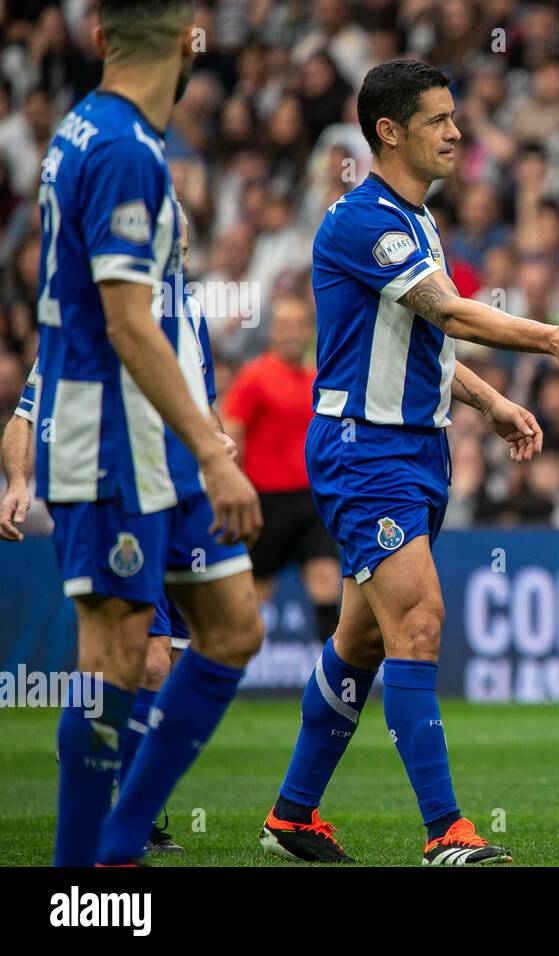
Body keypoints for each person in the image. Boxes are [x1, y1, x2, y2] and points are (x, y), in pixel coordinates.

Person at [258, 58, 559, 866]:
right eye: (440, 120)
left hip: (416, 450)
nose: (457, 131)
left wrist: (494, 403)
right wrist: (544, 335)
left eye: (454, 117)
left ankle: (291, 817)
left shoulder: (420, 221)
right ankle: (446, 830)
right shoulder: (361, 221)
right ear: (390, 131)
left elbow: (424, 341)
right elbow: (444, 308)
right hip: (364, 453)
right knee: (419, 624)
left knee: (359, 645)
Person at [30, 0, 264, 866]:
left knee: (233, 626)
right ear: (187, 39)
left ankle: (120, 835)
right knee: (118, 652)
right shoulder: (127, 151)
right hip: (111, 435)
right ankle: (81, 878)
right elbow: (128, 324)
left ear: (96, 37)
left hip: (151, 436)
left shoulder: (87, 131)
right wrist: (213, 446)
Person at [2, 203, 234, 854]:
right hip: (117, 495)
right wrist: (19, 483)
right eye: (172, 229)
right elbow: (28, 409)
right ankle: (120, 817)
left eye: (186, 230)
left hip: (181, 495)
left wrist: (217, 445)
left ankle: (110, 785)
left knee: (186, 654)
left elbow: (203, 403)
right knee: (144, 658)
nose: (182, 240)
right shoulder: (97, 307)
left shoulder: (188, 311)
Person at [222, 293, 341, 640]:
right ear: (272, 332)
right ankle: (224, 673)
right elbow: (232, 431)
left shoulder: (315, 378)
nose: (291, 333)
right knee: (256, 595)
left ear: (308, 332)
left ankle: (335, 684)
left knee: (325, 582)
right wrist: (231, 483)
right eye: (284, 326)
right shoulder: (254, 376)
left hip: (311, 499)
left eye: (298, 326)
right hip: (266, 502)